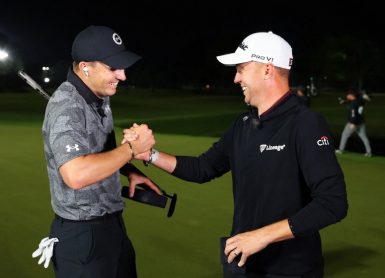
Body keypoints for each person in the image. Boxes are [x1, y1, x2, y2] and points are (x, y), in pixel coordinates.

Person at [124, 31, 348, 277]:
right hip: (242, 262)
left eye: (241, 69)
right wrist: (150, 155)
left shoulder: (305, 124)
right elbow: (202, 168)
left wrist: (262, 236)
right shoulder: (243, 124)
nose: (235, 78)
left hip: (290, 269)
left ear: (267, 70)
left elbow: (333, 202)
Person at [41, 25, 160, 278]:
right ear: (85, 67)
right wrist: (130, 149)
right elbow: (76, 174)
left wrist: (129, 170)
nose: (123, 76)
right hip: (82, 239)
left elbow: (99, 149)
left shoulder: (100, 95)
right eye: (113, 68)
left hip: (113, 226)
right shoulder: (66, 107)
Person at [335, 89, 372, 157]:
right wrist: (344, 102)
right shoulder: (359, 101)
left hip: (353, 123)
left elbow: (353, 115)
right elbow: (359, 99)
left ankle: (341, 150)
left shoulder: (353, 104)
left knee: (344, 135)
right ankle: (369, 152)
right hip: (361, 122)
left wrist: (353, 123)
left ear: (351, 95)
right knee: (364, 137)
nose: (347, 96)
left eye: (348, 95)